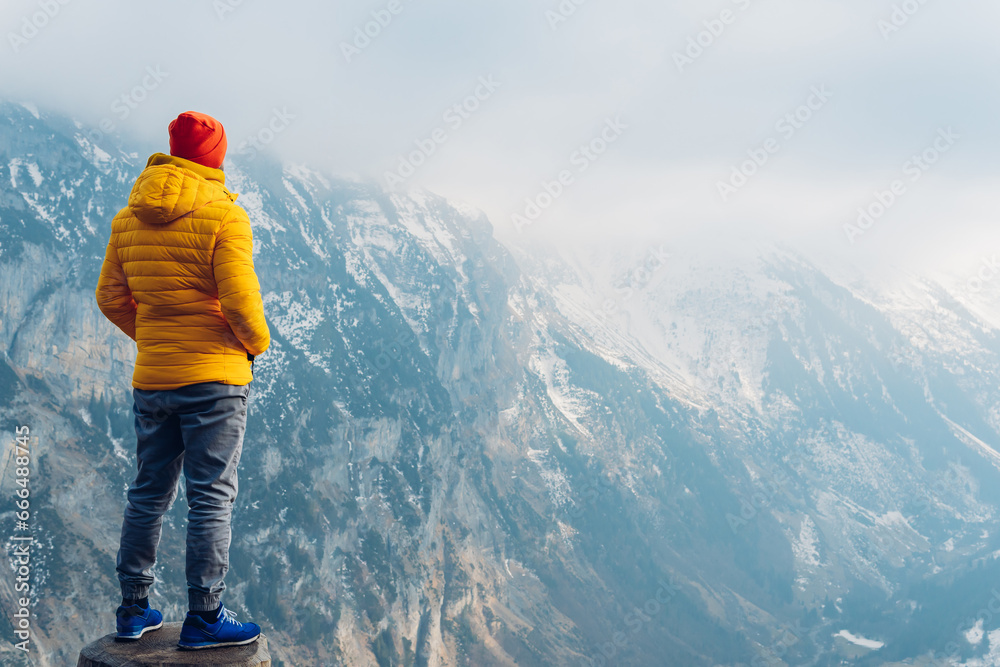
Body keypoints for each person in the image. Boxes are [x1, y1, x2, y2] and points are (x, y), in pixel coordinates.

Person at [95, 111, 270, 649]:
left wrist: (152, 337)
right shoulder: (224, 216)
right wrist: (254, 345)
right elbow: (241, 302)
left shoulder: (129, 217)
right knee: (211, 499)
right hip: (214, 380)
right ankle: (206, 616)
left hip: (153, 378)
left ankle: (133, 609)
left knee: (147, 492)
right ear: (216, 157)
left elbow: (109, 298)